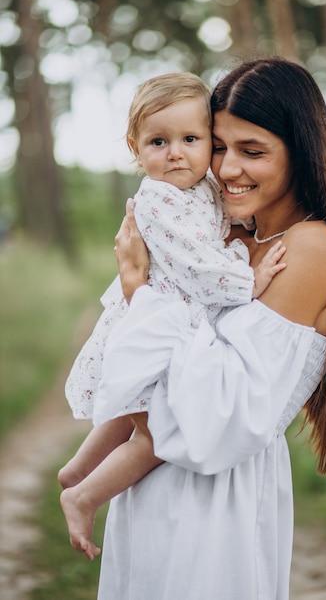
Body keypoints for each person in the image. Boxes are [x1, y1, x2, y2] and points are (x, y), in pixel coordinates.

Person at [93, 56, 326, 600]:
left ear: (302, 151)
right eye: (218, 146)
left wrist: (136, 291)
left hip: (214, 501)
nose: (226, 168)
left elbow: (220, 413)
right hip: (154, 484)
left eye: (253, 151)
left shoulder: (309, 248)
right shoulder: (234, 242)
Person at [58, 72, 286, 561]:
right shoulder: (157, 199)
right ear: (135, 149)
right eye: (158, 142)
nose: (175, 153)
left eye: (190, 139)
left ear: (210, 143)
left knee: (132, 412)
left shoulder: (201, 187)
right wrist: (252, 280)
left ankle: (77, 469)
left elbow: (224, 222)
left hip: (168, 323)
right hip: (153, 326)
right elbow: (197, 267)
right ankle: (82, 495)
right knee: (158, 432)